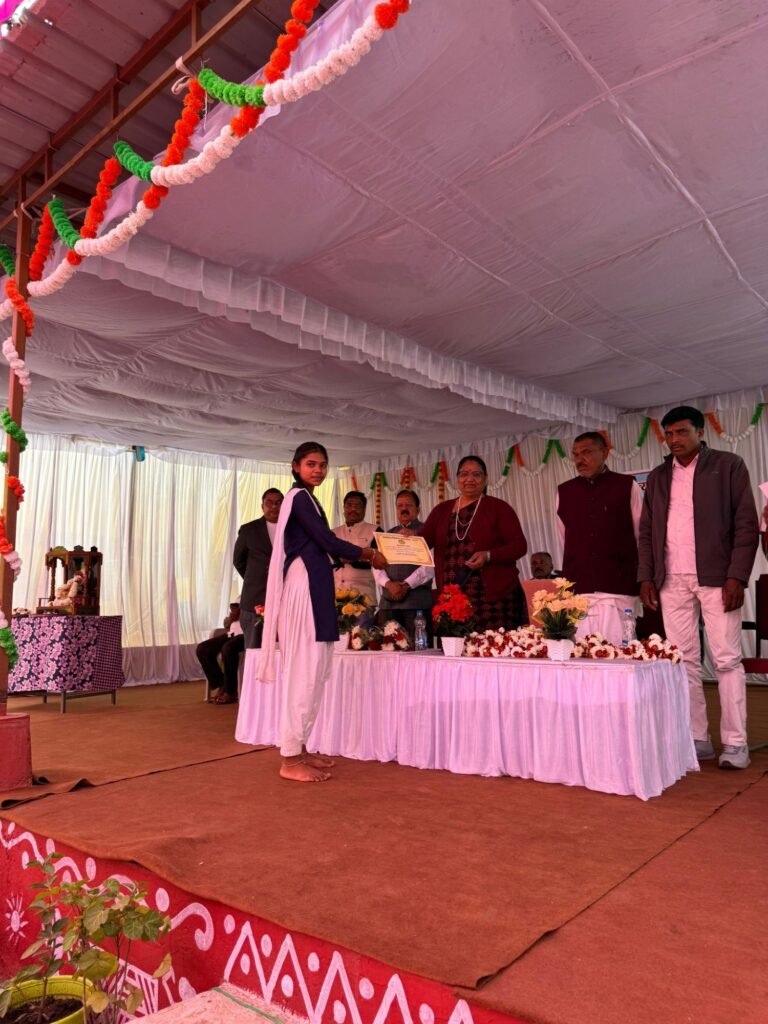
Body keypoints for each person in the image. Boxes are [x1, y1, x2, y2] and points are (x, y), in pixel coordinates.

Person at [256, 442, 387, 783]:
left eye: (322, 465)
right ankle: (289, 758)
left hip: (316, 585)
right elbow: (328, 542)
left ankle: (300, 748)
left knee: (315, 671)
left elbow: (324, 544)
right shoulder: (299, 498)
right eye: (311, 464)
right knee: (304, 671)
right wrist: (369, 554)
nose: (318, 470)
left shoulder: (309, 499)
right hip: (305, 587)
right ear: (295, 466)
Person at [638, 406, 759, 770]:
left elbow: (746, 524)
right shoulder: (658, 476)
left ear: (700, 432)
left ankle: (735, 743)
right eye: (669, 434)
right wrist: (647, 576)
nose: (674, 439)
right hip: (671, 579)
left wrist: (737, 576)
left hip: (717, 578)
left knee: (726, 659)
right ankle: (697, 738)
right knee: (684, 661)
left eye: (682, 432)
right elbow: (647, 531)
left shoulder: (728, 465)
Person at [419, 455, 527, 630]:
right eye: (464, 474)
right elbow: (420, 544)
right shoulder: (441, 511)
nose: (469, 479)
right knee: (457, 646)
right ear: (457, 479)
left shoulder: (499, 508)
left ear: (485, 479)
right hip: (454, 598)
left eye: (476, 474)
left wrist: (489, 555)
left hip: (493, 597)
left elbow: (519, 546)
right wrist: (403, 541)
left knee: (493, 644)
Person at [557, 432, 644, 642]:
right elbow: (565, 538)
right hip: (581, 588)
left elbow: (640, 535)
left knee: (621, 650)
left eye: (586, 452)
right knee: (583, 651)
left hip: (619, 586)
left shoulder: (627, 485)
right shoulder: (565, 491)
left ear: (604, 453)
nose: (580, 460)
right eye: (576, 454)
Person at [373, 489, 434, 641]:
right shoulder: (387, 535)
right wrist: (388, 584)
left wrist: (406, 585)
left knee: (418, 650)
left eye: (408, 505)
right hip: (388, 603)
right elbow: (376, 564)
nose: (404, 509)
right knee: (388, 649)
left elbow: (431, 566)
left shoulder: (427, 532)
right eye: (400, 506)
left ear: (418, 509)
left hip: (417, 603)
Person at [233, 488, 283, 648]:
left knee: (284, 651)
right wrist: (255, 578)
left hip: (285, 599)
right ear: (262, 506)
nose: (274, 507)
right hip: (254, 601)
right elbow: (238, 561)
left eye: (278, 503)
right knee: (254, 650)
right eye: (269, 502)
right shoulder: (249, 530)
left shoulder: (293, 530)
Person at [332, 491, 381, 605]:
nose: (353, 509)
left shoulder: (375, 531)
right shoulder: (332, 533)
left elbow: (379, 562)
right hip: (335, 598)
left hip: (364, 599)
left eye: (357, 506)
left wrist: (349, 558)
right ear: (344, 508)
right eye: (349, 505)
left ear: (364, 509)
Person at [196, 602, 244, 705]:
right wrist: (232, 618)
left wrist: (243, 616)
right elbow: (226, 624)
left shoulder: (255, 598)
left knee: (227, 648)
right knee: (202, 649)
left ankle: (230, 691)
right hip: (231, 634)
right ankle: (221, 683)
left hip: (246, 635)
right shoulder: (238, 599)